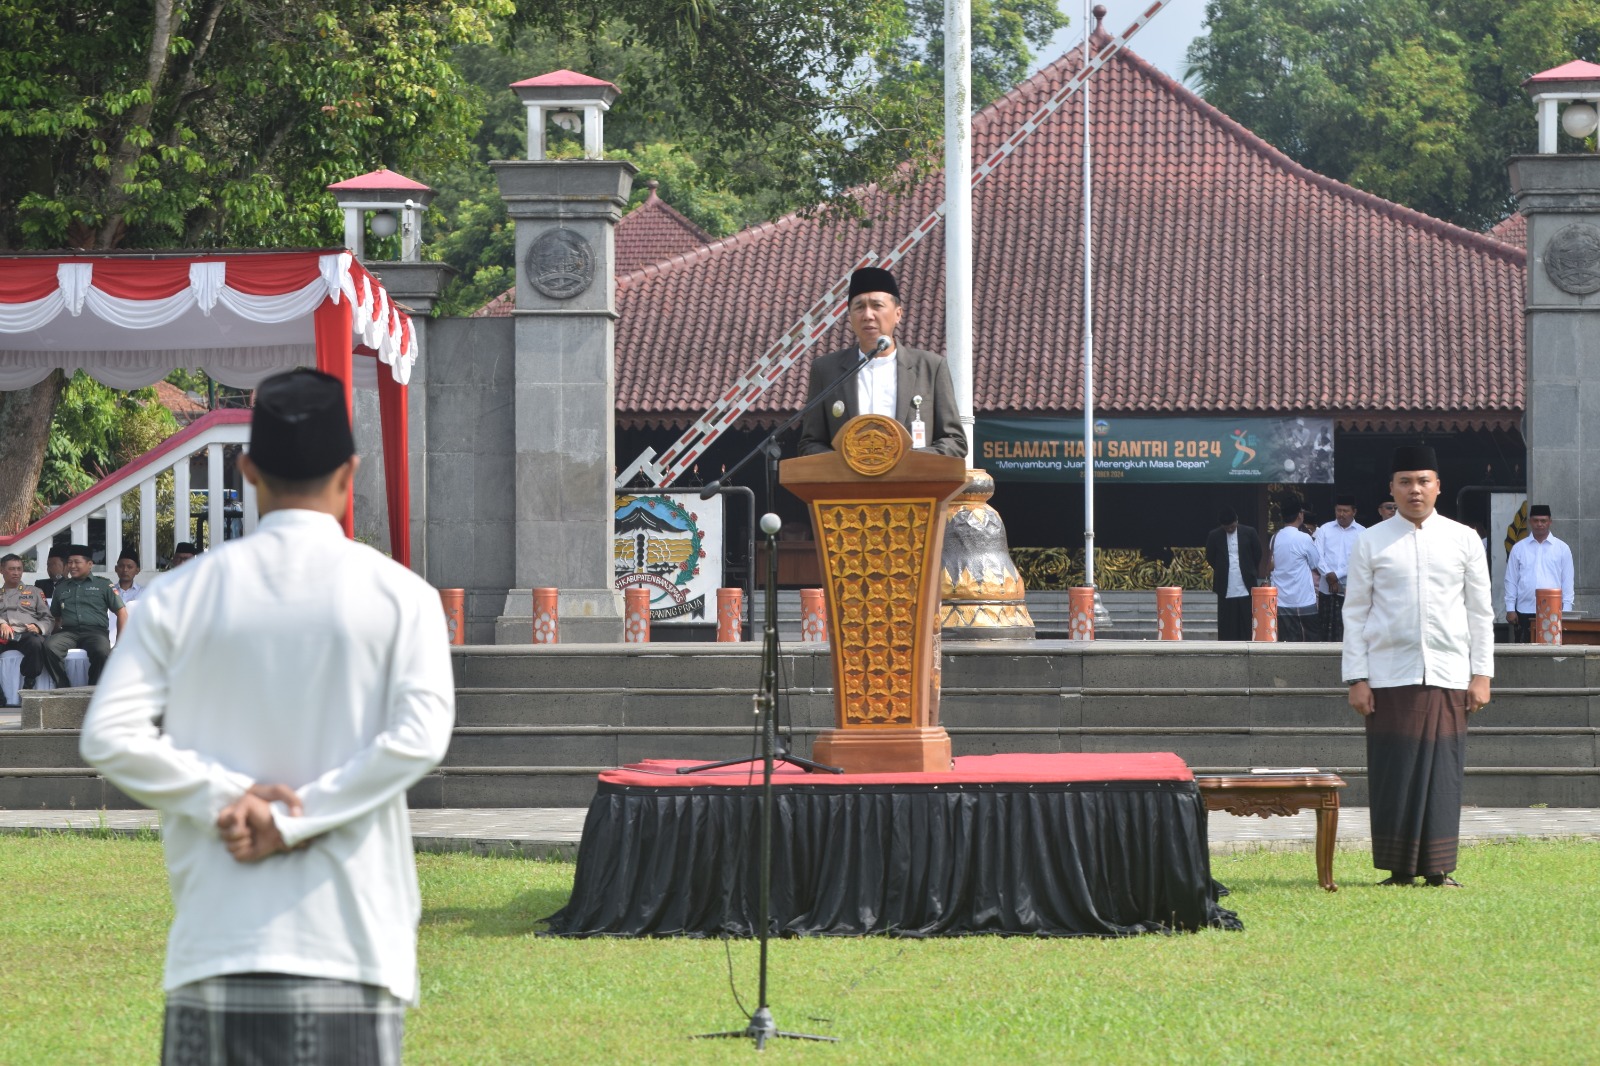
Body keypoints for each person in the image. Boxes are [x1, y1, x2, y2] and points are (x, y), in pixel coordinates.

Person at [80, 368, 455, 1065]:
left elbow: (109, 734)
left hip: (220, 938)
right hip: (352, 941)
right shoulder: (403, 597)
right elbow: (419, 738)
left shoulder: (179, 596)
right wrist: (295, 817)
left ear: (248, 469)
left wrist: (228, 797)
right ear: (352, 470)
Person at [1343, 445, 1493, 888]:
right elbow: (1355, 613)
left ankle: (1439, 868)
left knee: (1443, 774)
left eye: (1423, 481)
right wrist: (1357, 677)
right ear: (1391, 488)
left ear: (1438, 487)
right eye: (1405, 482)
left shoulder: (1463, 539)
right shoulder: (1371, 540)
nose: (1415, 490)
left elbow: (1480, 611)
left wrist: (1481, 673)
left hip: (1449, 672)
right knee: (1394, 772)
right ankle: (1398, 869)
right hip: (1388, 675)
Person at [798, 266, 967, 458]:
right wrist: (848, 463)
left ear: (898, 314)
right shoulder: (827, 370)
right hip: (848, 485)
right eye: (859, 307)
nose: (868, 315)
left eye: (877, 306)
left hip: (911, 484)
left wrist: (906, 460)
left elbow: (955, 442)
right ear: (850, 316)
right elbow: (810, 444)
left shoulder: (930, 368)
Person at [41, 545, 126, 686]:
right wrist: (53, 635)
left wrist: (118, 643)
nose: (72, 566)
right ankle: (63, 687)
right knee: (49, 646)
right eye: (69, 562)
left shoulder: (103, 585)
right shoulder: (61, 588)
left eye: (77, 562)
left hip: (95, 633)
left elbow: (122, 613)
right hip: (68, 633)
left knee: (101, 651)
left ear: (90, 564)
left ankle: (93, 689)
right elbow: (56, 618)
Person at [1504, 504, 1574, 642]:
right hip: (1524, 610)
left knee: (1551, 655)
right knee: (1524, 655)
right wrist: (1510, 608)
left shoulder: (1562, 548)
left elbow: (1567, 582)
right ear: (1530, 521)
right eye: (1536, 521)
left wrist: (1566, 612)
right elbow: (1511, 580)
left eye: (1543, 521)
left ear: (1550, 522)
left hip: (1553, 612)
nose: (1539, 524)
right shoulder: (1519, 548)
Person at [1266, 497, 1321, 641]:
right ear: (1300, 515)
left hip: (1281, 600)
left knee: (1286, 642)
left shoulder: (1275, 537)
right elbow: (1315, 563)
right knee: (1308, 644)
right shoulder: (1304, 538)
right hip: (1303, 600)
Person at [1, 553, 54, 701]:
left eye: (19, 569)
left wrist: (38, 627)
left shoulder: (35, 592)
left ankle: (29, 684)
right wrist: (2, 623)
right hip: (3, 635)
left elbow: (48, 618)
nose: (16, 573)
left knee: (35, 643)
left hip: (25, 634)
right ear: (2, 570)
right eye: (12, 569)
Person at [1204, 508, 1262, 641]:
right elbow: (1210, 556)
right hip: (1225, 583)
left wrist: (1250, 569)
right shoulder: (1214, 535)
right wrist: (1222, 568)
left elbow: (1257, 553)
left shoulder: (1249, 532)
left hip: (1245, 582)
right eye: (1227, 527)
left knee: (1246, 620)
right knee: (1227, 621)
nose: (1230, 529)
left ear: (1237, 521)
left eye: (1232, 526)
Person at [1313, 494, 1364, 642]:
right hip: (1326, 588)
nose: (1341, 514)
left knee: (1348, 631)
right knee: (1324, 630)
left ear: (1354, 512)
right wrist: (1329, 575)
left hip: (1349, 590)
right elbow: (1317, 555)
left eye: (1345, 511)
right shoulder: (1325, 529)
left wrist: (1336, 575)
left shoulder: (1362, 532)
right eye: (1338, 510)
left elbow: (1359, 559)